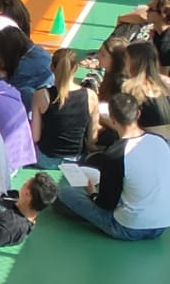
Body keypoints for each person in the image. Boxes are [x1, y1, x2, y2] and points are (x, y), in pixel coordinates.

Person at [55, 91, 170, 239]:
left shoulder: (116, 154)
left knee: (65, 193)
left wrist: (93, 193)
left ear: (112, 119)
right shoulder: (160, 141)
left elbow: (105, 204)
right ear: (138, 114)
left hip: (127, 228)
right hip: (161, 226)